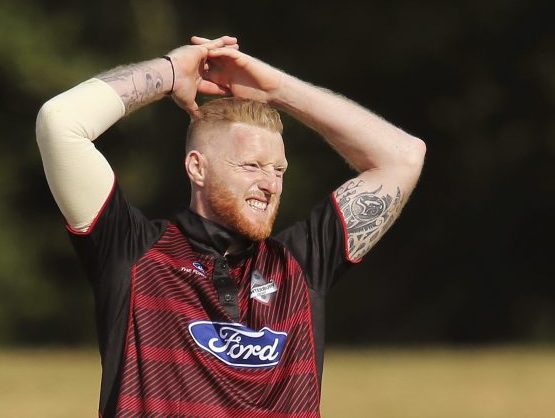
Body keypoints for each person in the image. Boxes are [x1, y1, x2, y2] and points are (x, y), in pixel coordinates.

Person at [36, 35, 426, 417]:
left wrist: (276, 89)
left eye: (278, 170)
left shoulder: (299, 267)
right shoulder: (132, 253)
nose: (270, 184)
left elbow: (403, 156)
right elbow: (60, 122)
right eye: (252, 166)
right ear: (197, 168)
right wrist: (170, 73)